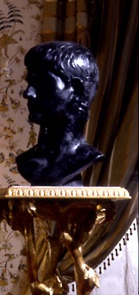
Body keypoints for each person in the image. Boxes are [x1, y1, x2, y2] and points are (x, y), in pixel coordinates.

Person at [16, 41, 104, 186]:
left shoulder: (85, 157)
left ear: (76, 90)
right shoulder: (26, 162)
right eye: (30, 83)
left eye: (41, 83)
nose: (28, 93)